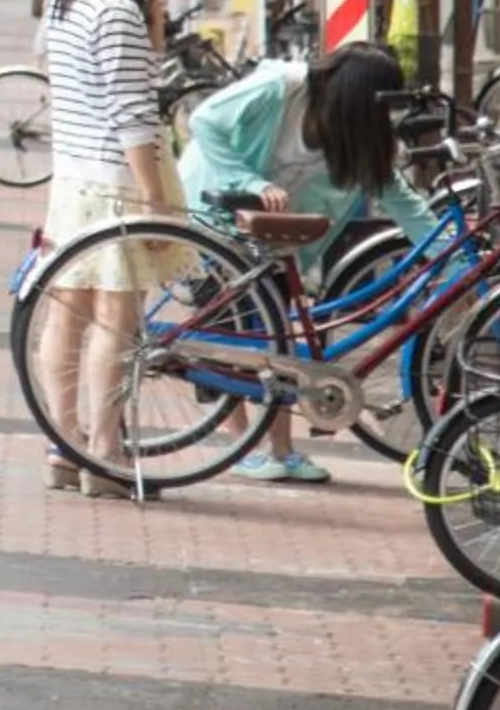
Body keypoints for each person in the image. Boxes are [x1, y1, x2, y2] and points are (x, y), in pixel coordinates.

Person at [180, 43, 430, 484]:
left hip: (273, 233)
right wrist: (247, 180)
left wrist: (453, 254)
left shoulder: (353, 133)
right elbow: (205, 121)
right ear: (357, 99)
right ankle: (242, 447)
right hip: (213, 214)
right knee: (231, 335)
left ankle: (283, 449)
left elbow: (401, 200)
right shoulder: (282, 89)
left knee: (278, 337)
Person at [28, 0, 188, 499]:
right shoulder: (114, 10)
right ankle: (104, 452)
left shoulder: (70, 2)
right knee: (115, 324)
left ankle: (62, 445)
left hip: (72, 180)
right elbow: (135, 114)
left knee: (66, 315)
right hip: (116, 184)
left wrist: (153, 4)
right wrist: (153, 199)